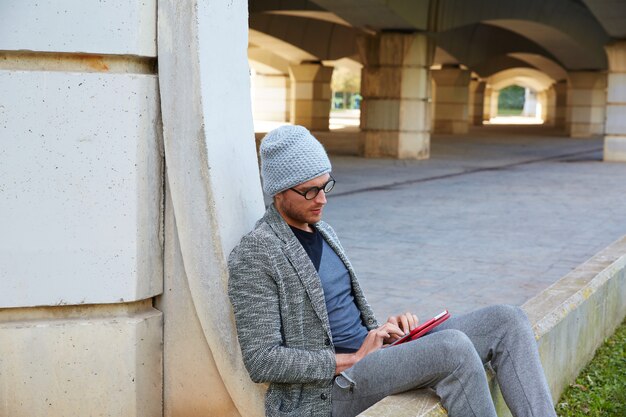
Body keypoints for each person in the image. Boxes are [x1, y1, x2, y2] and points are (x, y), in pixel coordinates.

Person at [228, 125, 557, 417]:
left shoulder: (324, 231)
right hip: (329, 390)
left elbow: (345, 316)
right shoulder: (258, 251)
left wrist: (386, 328)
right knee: (453, 348)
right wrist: (352, 359)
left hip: (376, 355)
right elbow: (262, 360)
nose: (322, 200)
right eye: (309, 191)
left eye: (325, 186)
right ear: (279, 191)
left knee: (508, 320)